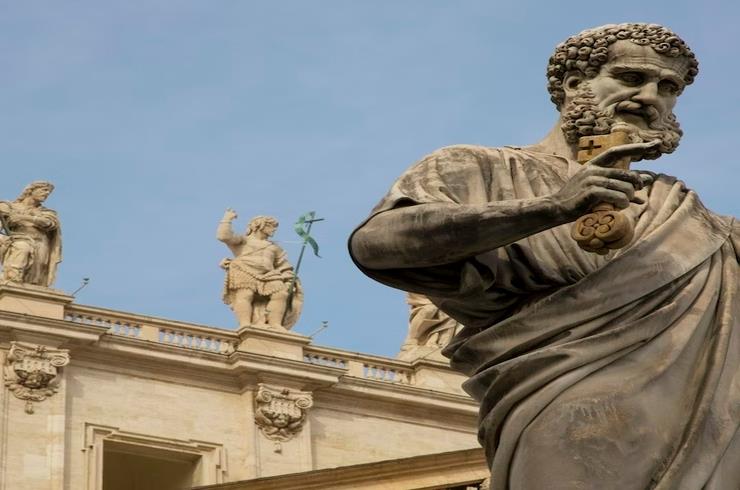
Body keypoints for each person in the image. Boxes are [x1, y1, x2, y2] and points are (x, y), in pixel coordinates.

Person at [350, 23, 738, 489]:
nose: (651, 96)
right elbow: (376, 243)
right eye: (632, 78)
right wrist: (550, 209)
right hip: (561, 410)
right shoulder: (479, 166)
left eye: (668, 87)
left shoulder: (694, 217)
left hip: (707, 429)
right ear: (575, 85)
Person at [218, 209, 301, 329]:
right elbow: (223, 236)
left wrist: (289, 279)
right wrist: (227, 219)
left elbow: (284, 265)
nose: (274, 229)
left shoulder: (275, 247)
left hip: (269, 274)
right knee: (245, 294)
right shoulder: (244, 240)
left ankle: (275, 324)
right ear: (260, 225)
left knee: (281, 294)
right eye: (271, 226)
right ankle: (245, 324)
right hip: (244, 269)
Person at [0, 181, 62, 287]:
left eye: (49, 192)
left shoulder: (47, 211)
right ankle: (11, 283)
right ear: (31, 190)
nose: (47, 193)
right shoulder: (10, 206)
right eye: (44, 190)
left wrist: (24, 217)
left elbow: (50, 223)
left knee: (36, 276)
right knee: (22, 249)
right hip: (17, 239)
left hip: (40, 242)